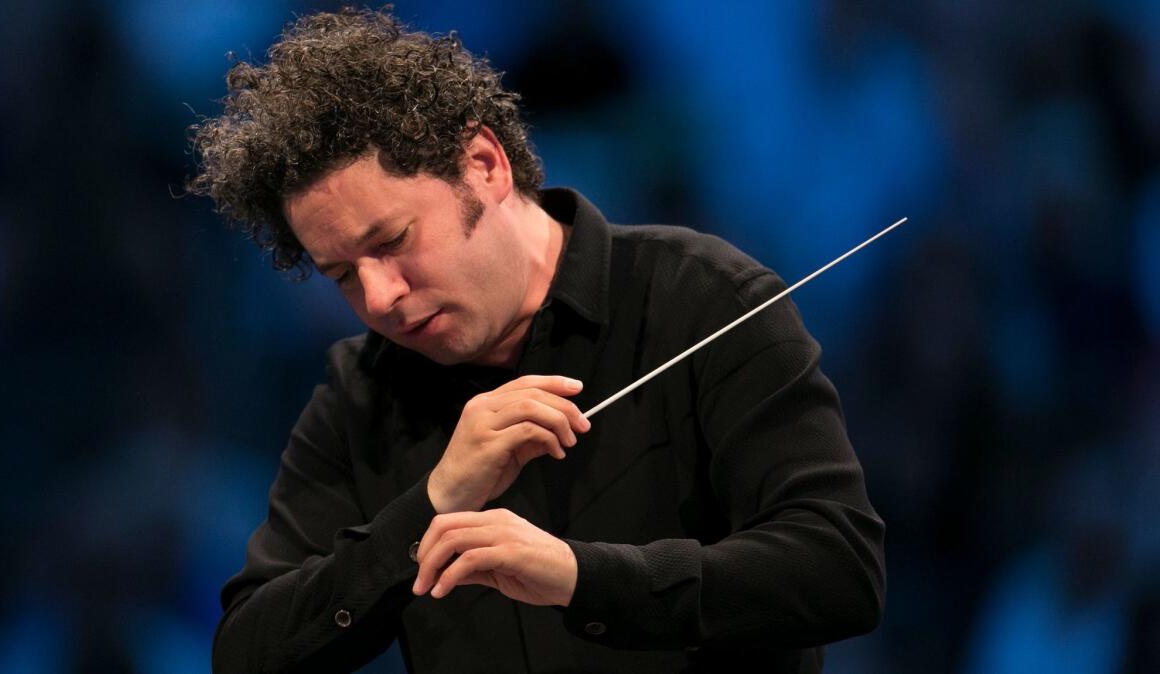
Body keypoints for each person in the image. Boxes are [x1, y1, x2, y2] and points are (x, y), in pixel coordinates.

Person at [190, 8, 885, 673]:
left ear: (484, 165)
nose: (378, 298)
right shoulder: (363, 394)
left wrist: (582, 578)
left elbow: (838, 568)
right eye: (341, 274)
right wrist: (432, 503)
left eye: (393, 241)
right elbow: (247, 654)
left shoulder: (703, 297)